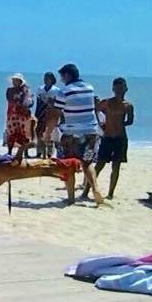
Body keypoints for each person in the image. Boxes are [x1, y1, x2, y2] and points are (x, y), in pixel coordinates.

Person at [51, 63, 106, 205]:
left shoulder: (64, 92)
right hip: (91, 132)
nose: (61, 80)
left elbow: (56, 113)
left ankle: (70, 198)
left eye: (62, 76)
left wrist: (49, 131)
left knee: (68, 164)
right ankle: (95, 189)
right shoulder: (90, 88)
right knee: (87, 163)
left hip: (71, 133)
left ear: (68, 75)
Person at [82, 77, 134, 200]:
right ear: (113, 89)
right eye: (117, 88)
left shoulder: (128, 105)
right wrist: (101, 124)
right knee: (99, 165)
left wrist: (121, 124)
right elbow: (94, 110)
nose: (119, 91)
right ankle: (86, 191)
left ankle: (110, 193)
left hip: (120, 138)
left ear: (126, 89)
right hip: (107, 137)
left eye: (122, 88)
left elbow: (130, 121)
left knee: (116, 166)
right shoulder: (107, 102)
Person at [5, 73, 33, 160]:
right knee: (11, 132)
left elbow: (29, 102)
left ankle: (25, 152)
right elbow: (10, 99)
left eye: (16, 80)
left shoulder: (25, 90)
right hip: (12, 114)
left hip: (21, 115)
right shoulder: (10, 90)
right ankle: (9, 151)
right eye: (14, 80)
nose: (14, 82)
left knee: (23, 133)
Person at [34, 72, 58, 158]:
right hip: (40, 114)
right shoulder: (40, 89)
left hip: (51, 114)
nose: (45, 80)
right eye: (44, 78)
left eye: (47, 78)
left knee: (50, 133)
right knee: (39, 133)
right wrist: (36, 114)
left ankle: (49, 152)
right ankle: (39, 151)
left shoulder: (56, 90)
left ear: (52, 80)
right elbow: (37, 102)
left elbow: (58, 104)